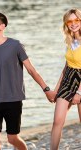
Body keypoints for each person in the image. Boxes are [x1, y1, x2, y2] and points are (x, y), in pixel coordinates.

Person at [0, 12, 56, 150]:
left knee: (12, 138)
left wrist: (46, 90)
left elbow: (31, 70)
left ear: (2, 26)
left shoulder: (15, 45)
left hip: (13, 100)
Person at [50, 8, 81, 150]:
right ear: (66, 23)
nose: (73, 23)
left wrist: (79, 92)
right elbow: (66, 66)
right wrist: (56, 90)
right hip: (68, 80)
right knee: (57, 121)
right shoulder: (70, 40)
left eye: (76, 20)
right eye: (70, 21)